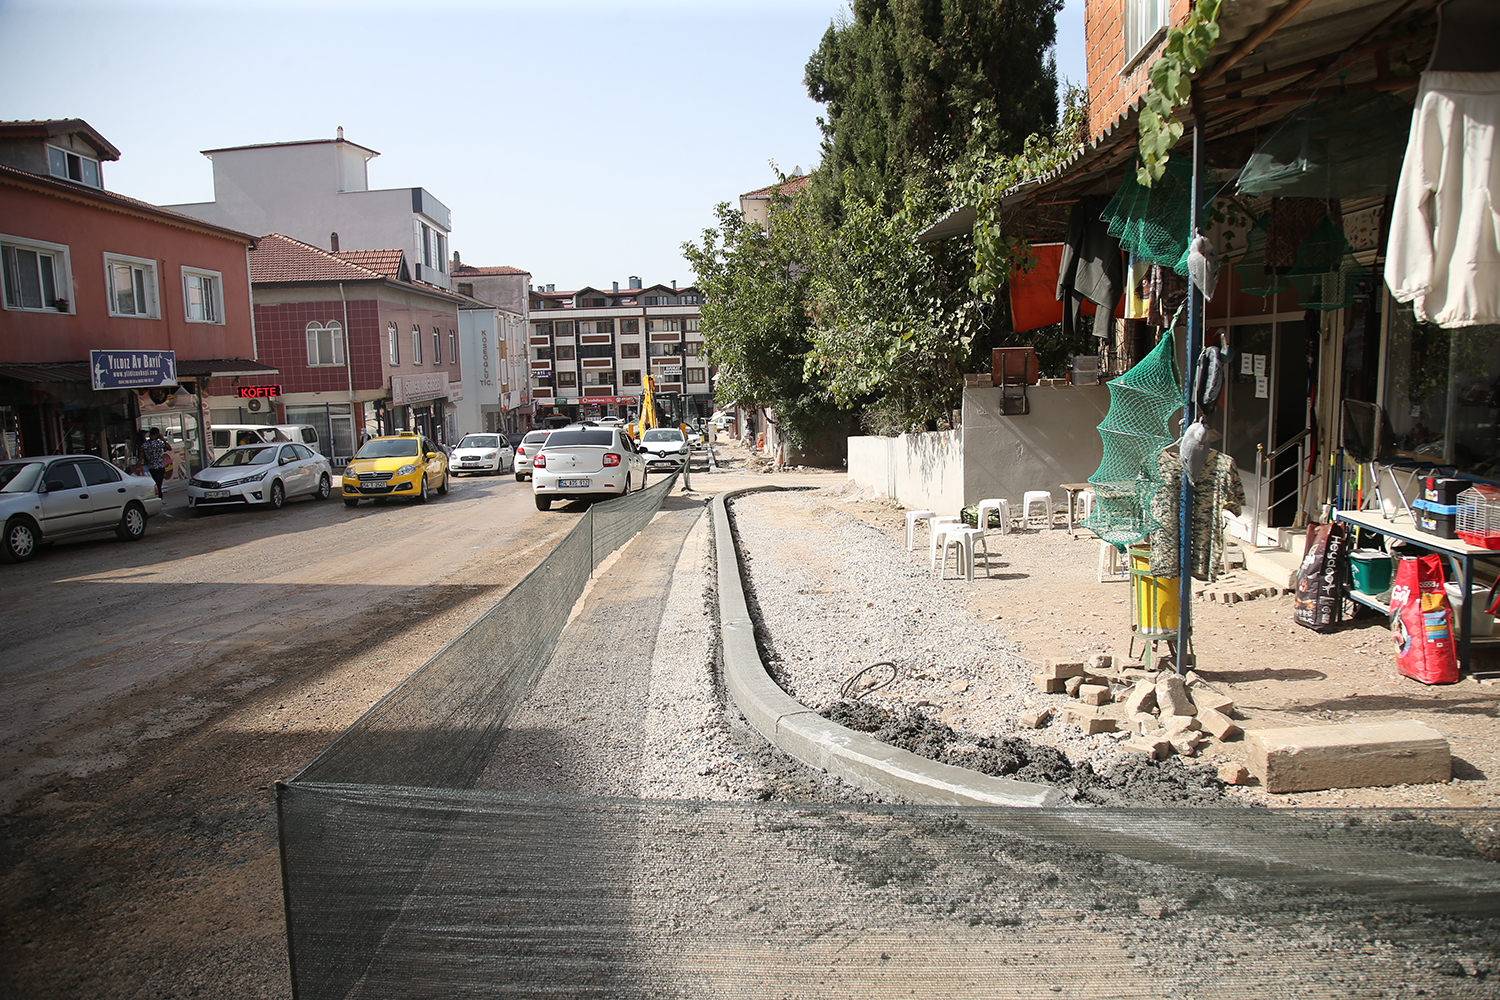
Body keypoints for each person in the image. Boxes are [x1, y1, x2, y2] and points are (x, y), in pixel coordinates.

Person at [140, 427, 171, 498]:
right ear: (157, 434)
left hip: (151, 467)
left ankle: (157, 497)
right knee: (159, 483)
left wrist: (139, 466)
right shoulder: (158, 443)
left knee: (154, 484)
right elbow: (169, 448)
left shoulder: (145, 445)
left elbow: (141, 456)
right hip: (159, 467)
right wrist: (163, 440)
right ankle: (160, 497)